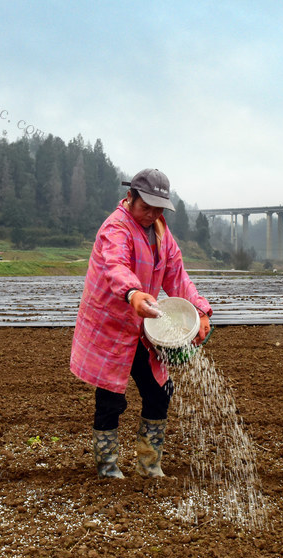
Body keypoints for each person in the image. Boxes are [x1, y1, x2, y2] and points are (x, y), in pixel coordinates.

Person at [70, 168, 212, 479]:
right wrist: (133, 293)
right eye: (145, 207)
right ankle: (107, 467)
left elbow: (177, 275)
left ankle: (150, 464)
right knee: (111, 397)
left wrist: (200, 311)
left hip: (145, 325)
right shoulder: (116, 228)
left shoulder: (161, 230)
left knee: (160, 390)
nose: (151, 214)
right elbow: (116, 265)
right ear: (130, 198)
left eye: (158, 209)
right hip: (111, 324)